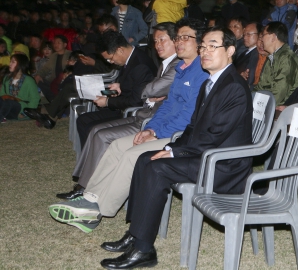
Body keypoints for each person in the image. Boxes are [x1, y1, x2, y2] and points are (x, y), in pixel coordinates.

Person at [50, 26, 252, 268]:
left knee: (157, 167)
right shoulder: (213, 81)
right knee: (146, 158)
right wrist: (174, 146)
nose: (205, 52)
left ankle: (144, 250)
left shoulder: (232, 86)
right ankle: (136, 234)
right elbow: (194, 127)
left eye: (212, 46)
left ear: (230, 50)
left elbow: (214, 136)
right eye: (204, 46)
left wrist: (174, 151)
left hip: (223, 164)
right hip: (206, 154)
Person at [48, 20, 207, 232]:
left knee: (132, 154)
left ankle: (96, 211)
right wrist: (150, 130)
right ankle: (89, 197)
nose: (179, 42)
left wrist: (157, 132)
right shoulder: (182, 68)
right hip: (161, 128)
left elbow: (187, 115)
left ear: (199, 44)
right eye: (177, 37)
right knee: (116, 146)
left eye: (185, 38)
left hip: (179, 136)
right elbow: (167, 105)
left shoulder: (201, 71)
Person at [52, 22, 182, 200]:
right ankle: (84, 181)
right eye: (155, 40)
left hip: (148, 118)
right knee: (95, 130)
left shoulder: (176, 65)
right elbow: (150, 91)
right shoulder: (165, 63)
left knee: (100, 134)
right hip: (142, 113)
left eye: (162, 40)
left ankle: (87, 186)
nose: (158, 44)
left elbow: (147, 91)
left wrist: (148, 93)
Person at [75, 31, 156, 148]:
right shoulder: (131, 58)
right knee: (82, 120)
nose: (111, 62)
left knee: (91, 127)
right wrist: (119, 86)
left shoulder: (140, 65)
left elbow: (137, 101)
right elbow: (132, 83)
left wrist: (107, 102)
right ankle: (87, 158)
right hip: (122, 106)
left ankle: (95, 161)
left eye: (110, 59)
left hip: (131, 113)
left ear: (120, 50)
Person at [254, 21, 298, 105]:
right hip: (268, 102)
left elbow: (280, 92)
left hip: (282, 106)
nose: (262, 39)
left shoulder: (287, 58)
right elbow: (261, 86)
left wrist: (260, 104)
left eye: (264, 35)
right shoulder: (272, 57)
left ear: (273, 37)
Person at [0, 53, 40, 123]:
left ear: (20, 64)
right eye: (10, 62)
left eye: (13, 62)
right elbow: (2, 95)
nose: (10, 64)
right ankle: (3, 116)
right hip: (7, 108)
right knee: (6, 102)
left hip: (20, 109)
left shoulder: (29, 81)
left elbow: (35, 99)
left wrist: (25, 113)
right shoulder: (7, 78)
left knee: (9, 102)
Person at [35, 35, 71, 102]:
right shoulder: (53, 56)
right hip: (53, 81)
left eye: (58, 43)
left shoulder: (70, 54)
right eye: (54, 43)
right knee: (38, 80)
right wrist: (39, 75)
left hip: (65, 81)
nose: (56, 45)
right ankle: (52, 99)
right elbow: (45, 69)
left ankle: (55, 100)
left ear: (65, 44)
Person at [235, 22, 261, 87]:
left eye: (249, 34)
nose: (245, 38)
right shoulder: (245, 52)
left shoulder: (257, 54)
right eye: (244, 34)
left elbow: (249, 77)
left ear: (259, 35)